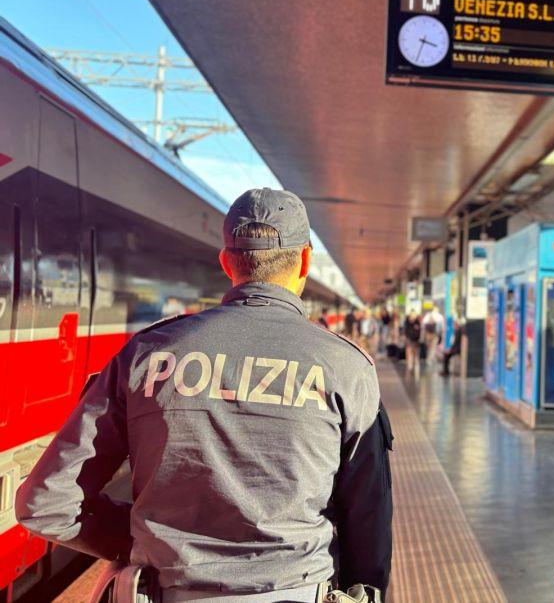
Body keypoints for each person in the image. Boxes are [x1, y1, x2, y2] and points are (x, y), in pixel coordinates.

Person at [16, 188, 393, 603]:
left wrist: (147, 540)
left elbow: (45, 502)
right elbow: (368, 522)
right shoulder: (347, 367)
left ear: (226, 261)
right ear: (305, 259)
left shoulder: (145, 355)